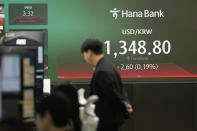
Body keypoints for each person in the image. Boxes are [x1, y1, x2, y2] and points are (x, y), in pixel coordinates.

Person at [81, 38, 133, 131]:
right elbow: (120, 89)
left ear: (89, 52)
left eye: (84, 54)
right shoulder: (110, 66)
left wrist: (124, 107)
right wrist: (125, 103)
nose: (84, 57)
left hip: (106, 121)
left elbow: (112, 95)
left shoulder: (101, 71)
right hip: (112, 120)